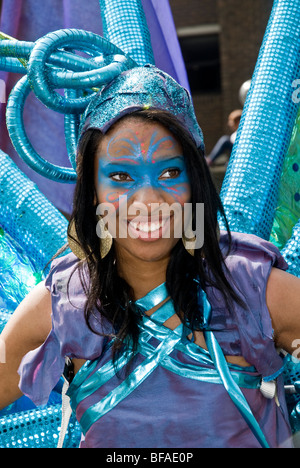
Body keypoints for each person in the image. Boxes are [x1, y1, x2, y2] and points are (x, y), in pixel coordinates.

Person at [0, 65, 300, 449]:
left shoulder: (253, 289)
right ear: (92, 191)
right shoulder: (63, 302)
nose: (148, 201)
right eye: (122, 177)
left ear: (194, 182)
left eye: (170, 172)